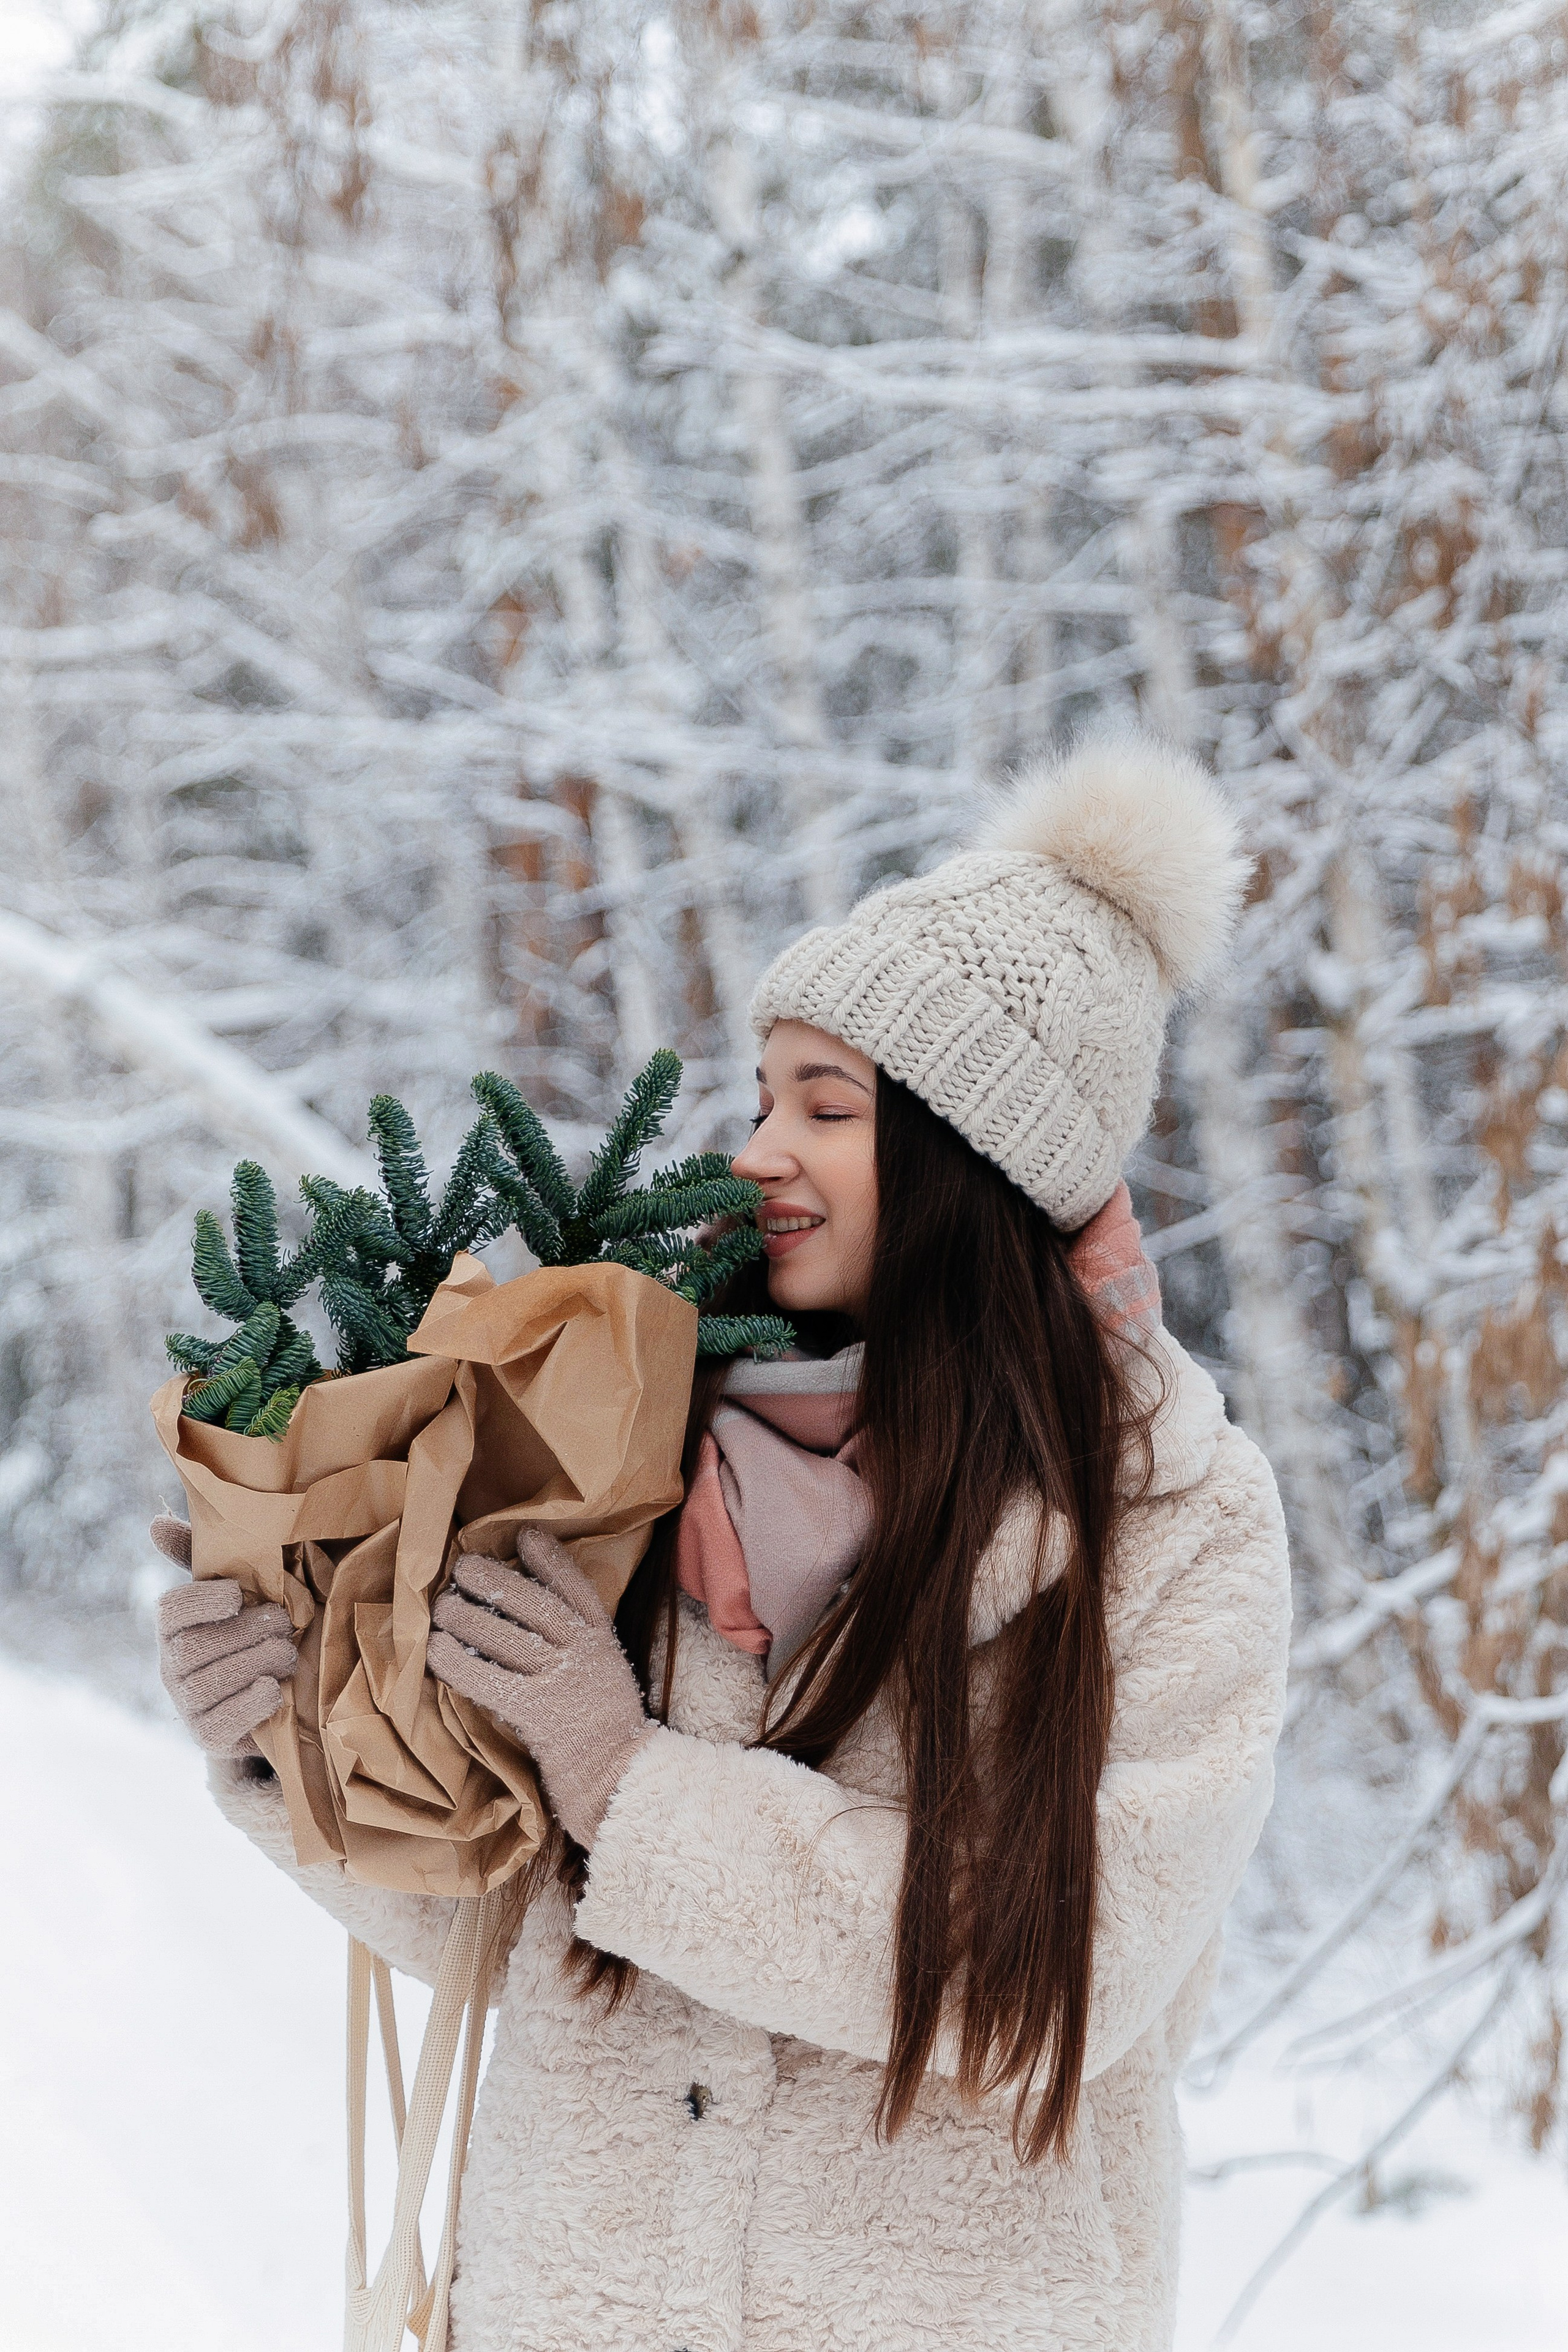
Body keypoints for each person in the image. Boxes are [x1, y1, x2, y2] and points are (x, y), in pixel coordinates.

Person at [153, 732, 1291, 2352]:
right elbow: (518, 1920)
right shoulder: (640, 1436)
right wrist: (284, 1740)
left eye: (825, 1107)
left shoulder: (1173, 1518)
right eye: (763, 1096)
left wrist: (631, 1787)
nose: (754, 1150)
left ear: (983, 1152)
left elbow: (1056, 1982)